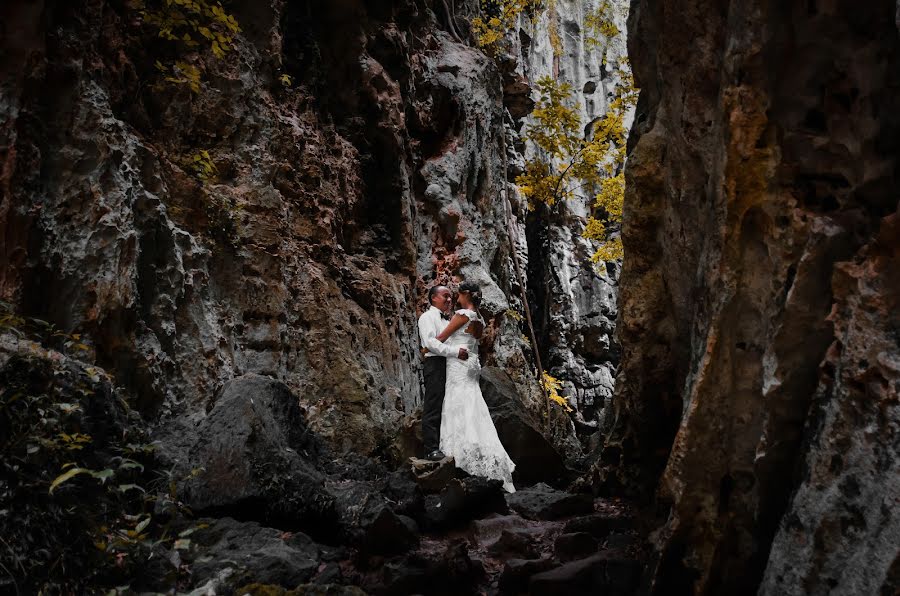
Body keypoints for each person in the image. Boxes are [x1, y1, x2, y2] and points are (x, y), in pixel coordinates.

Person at [433, 282, 516, 492]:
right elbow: (474, 339)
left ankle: (460, 453)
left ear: (465, 295)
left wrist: (428, 344)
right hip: (471, 363)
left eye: (458, 294)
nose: (455, 297)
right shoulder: (478, 317)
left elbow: (441, 338)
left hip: (459, 364)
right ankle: (482, 453)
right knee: (473, 403)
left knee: (458, 401)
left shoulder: (463, 313)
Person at [417, 285, 469, 461]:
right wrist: (456, 352)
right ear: (433, 298)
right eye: (445, 296)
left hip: (451, 366)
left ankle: (448, 445)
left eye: (450, 297)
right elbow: (431, 344)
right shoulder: (426, 318)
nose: (449, 300)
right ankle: (431, 449)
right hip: (435, 364)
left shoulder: (448, 321)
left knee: (449, 405)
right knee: (434, 404)